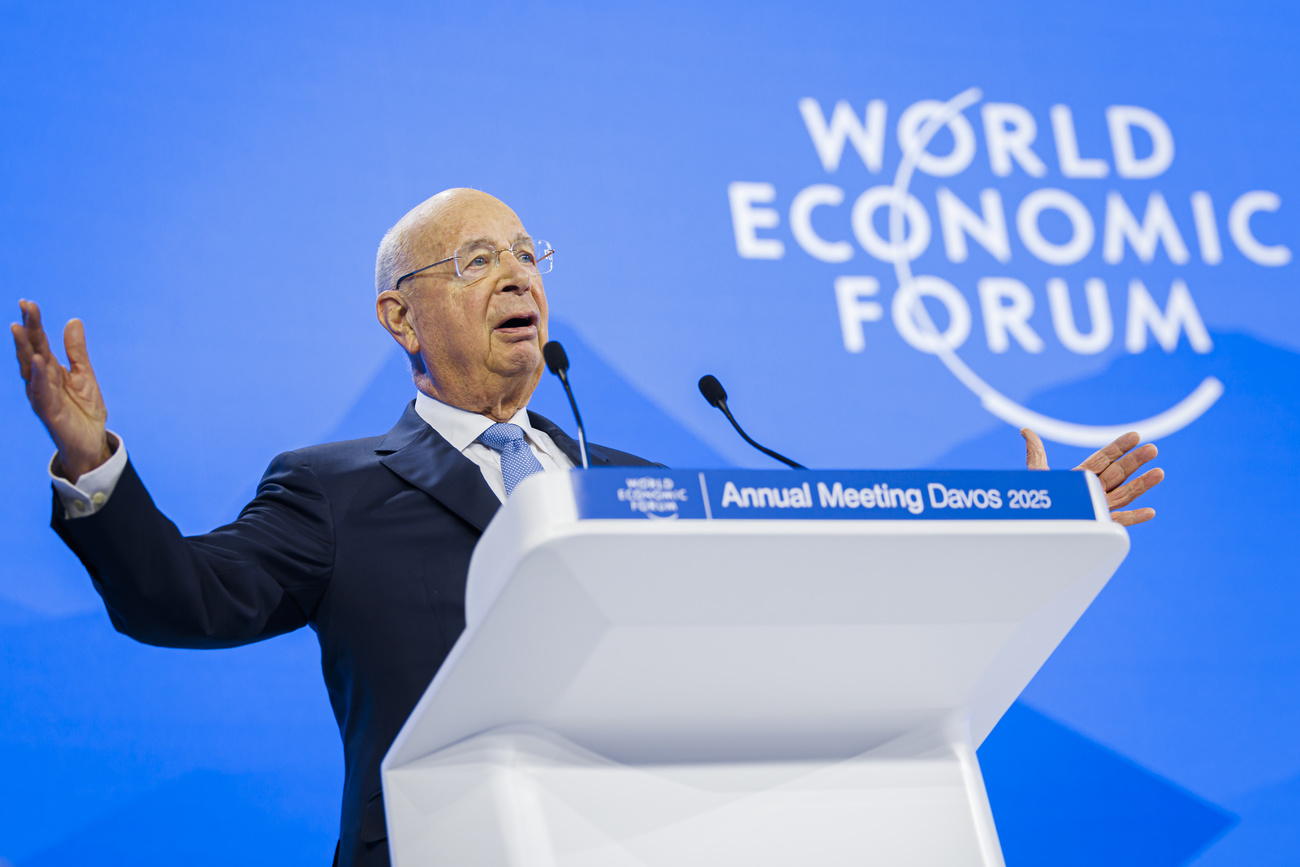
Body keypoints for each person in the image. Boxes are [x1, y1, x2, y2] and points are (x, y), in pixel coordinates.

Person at [11, 188, 1164, 866]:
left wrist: (1028, 524)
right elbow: (181, 601)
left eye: (528, 255)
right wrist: (92, 463)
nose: (519, 274)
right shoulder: (333, 487)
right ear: (397, 316)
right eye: (477, 261)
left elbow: (790, 644)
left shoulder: (639, 485)